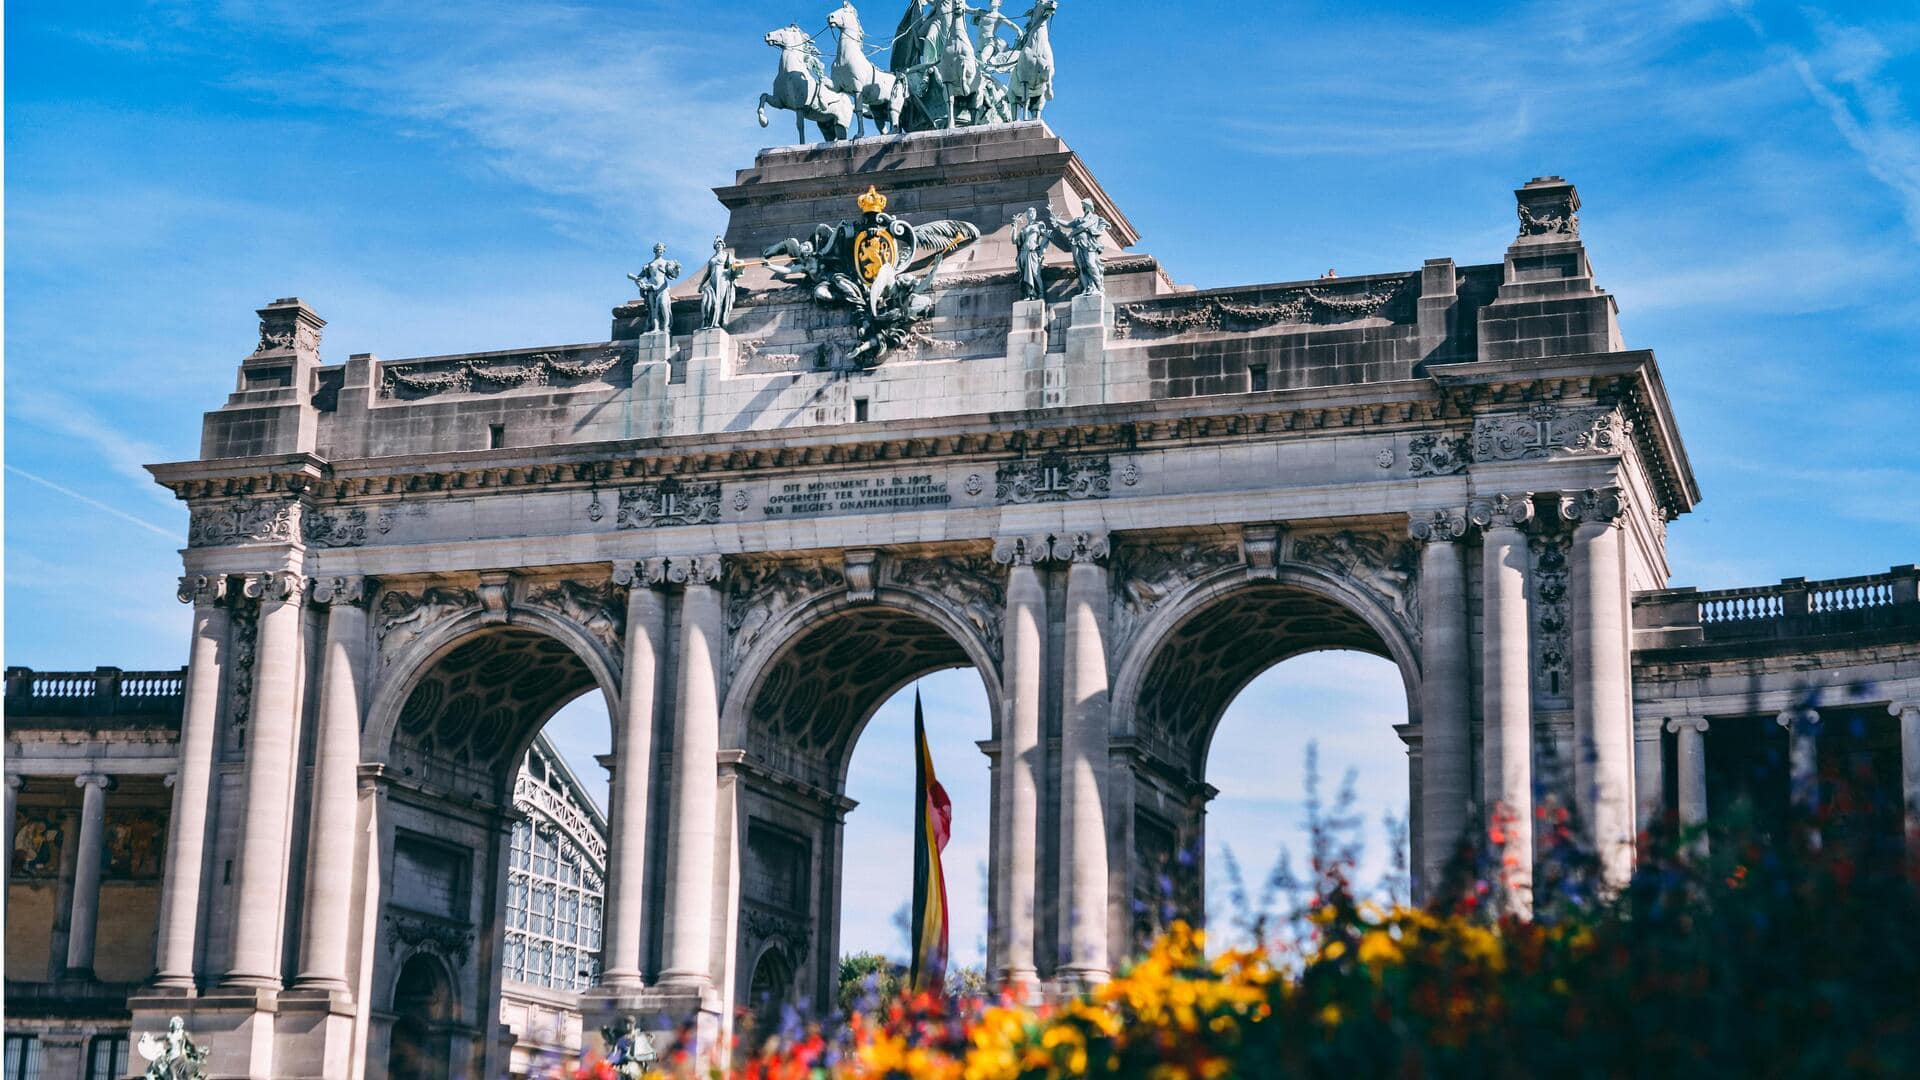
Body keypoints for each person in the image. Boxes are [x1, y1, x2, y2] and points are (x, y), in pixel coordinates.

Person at [1048, 198, 1108, 296]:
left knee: (1091, 263)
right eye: (1083, 205)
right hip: (1077, 243)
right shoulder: (1078, 219)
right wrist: (1056, 219)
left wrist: (1071, 233)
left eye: (1084, 205)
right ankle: (1087, 287)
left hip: (1088, 244)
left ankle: (1098, 286)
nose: (1083, 207)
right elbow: (1068, 224)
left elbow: (1083, 226)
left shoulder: (1094, 217)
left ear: (1089, 206)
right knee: (1081, 266)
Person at [627, 243, 681, 334]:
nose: (660, 250)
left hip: (662, 288)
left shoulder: (666, 263)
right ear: (655, 250)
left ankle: (666, 327)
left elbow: (673, 275)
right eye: (659, 249)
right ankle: (656, 328)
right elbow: (639, 278)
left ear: (664, 251)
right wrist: (640, 283)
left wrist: (678, 269)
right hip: (651, 288)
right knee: (653, 309)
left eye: (662, 249)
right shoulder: (649, 265)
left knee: (664, 305)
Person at [699, 236, 747, 330]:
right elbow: (707, 273)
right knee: (707, 301)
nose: (719, 245)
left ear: (723, 245)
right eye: (717, 243)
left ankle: (716, 322)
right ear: (714, 246)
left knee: (719, 301)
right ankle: (707, 321)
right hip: (712, 281)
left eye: (720, 243)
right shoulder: (712, 258)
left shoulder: (727, 255)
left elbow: (737, 263)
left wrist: (740, 263)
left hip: (723, 279)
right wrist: (701, 285)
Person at [1012, 207, 1050, 300]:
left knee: (1035, 274)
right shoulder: (1024, 228)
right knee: (1025, 275)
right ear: (1027, 215)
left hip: (1033, 252)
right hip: (1023, 253)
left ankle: (1040, 294)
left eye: (1034, 212)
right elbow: (1014, 241)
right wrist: (1014, 227)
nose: (1032, 214)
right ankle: (1029, 294)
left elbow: (1046, 236)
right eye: (1030, 212)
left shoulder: (1039, 225)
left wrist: (1042, 250)